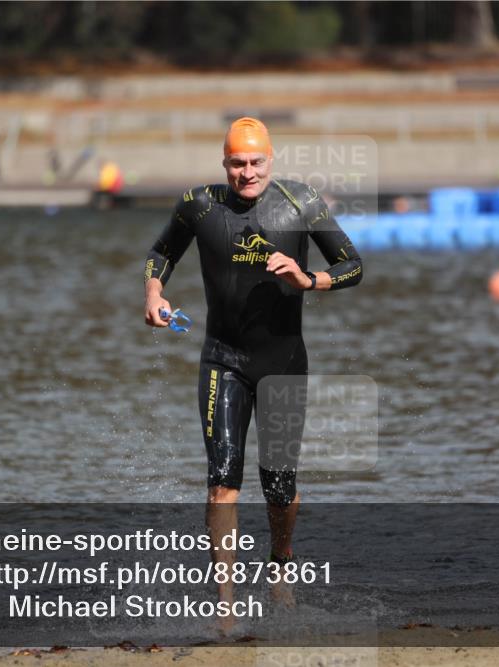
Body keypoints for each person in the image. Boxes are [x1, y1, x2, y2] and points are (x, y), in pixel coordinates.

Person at [143, 117, 363, 624]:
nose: (247, 173)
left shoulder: (301, 202)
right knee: (222, 480)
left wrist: (310, 279)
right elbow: (161, 253)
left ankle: (280, 564)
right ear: (225, 164)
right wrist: (154, 293)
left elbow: (353, 264)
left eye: (256, 162)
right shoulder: (199, 204)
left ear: (271, 159)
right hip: (223, 358)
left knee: (279, 484)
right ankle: (226, 603)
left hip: (283, 362)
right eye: (237, 163)